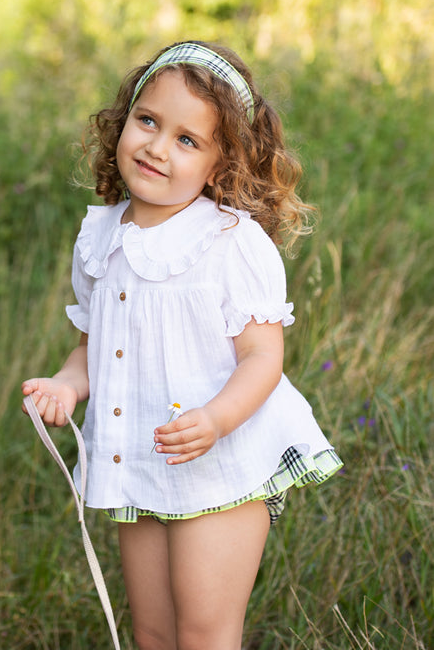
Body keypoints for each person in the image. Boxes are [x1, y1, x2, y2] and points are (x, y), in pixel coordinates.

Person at [21, 41, 343, 650]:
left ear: (220, 166)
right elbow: (93, 346)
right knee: (154, 632)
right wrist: (66, 384)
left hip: (218, 461)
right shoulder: (101, 238)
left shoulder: (230, 242)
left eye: (187, 140)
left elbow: (262, 357)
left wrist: (216, 420)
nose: (157, 147)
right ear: (123, 121)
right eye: (148, 121)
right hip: (140, 459)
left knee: (203, 633)